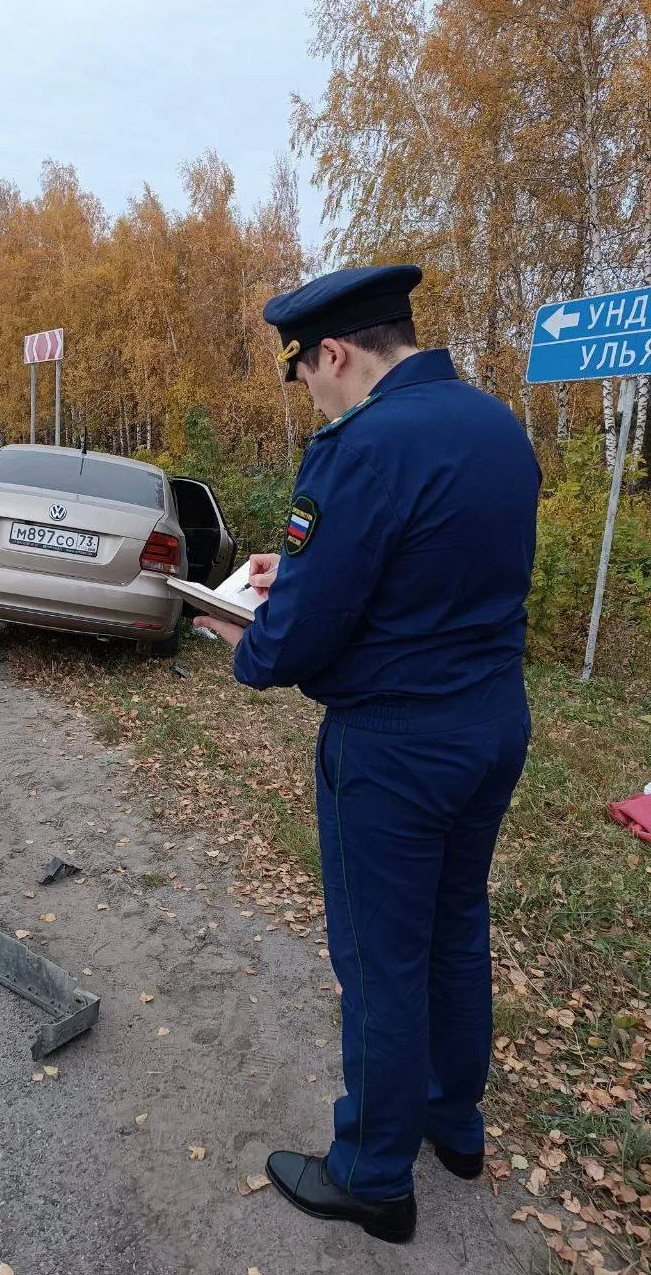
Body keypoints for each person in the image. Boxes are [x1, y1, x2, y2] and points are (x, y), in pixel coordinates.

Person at [195, 266, 540, 1245]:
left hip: (395, 747)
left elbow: (297, 641)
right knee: (454, 926)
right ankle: (453, 1123)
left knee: (383, 959)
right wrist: (298, 570)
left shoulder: (361, 444)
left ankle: (374, 1175)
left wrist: (245, 635)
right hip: (491, 723)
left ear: (335, 353)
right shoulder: (496, 425)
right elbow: (427, 565)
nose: (313, 395)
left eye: (306, 375)